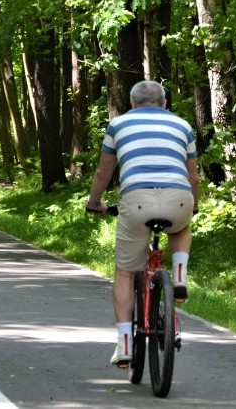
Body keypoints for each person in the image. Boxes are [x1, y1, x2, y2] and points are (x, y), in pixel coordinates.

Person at [85, 80, 199, 368]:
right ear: (165, 103)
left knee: (125, 273)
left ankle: (124, 344)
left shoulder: (118, 125)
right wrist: (193, 205)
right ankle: (180, 275)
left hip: (136, 201)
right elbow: (194, 178)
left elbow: (103, 172)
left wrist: (94, 202)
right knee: (182, 227)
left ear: (133, 103)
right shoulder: (182, 125)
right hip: (178, 197)